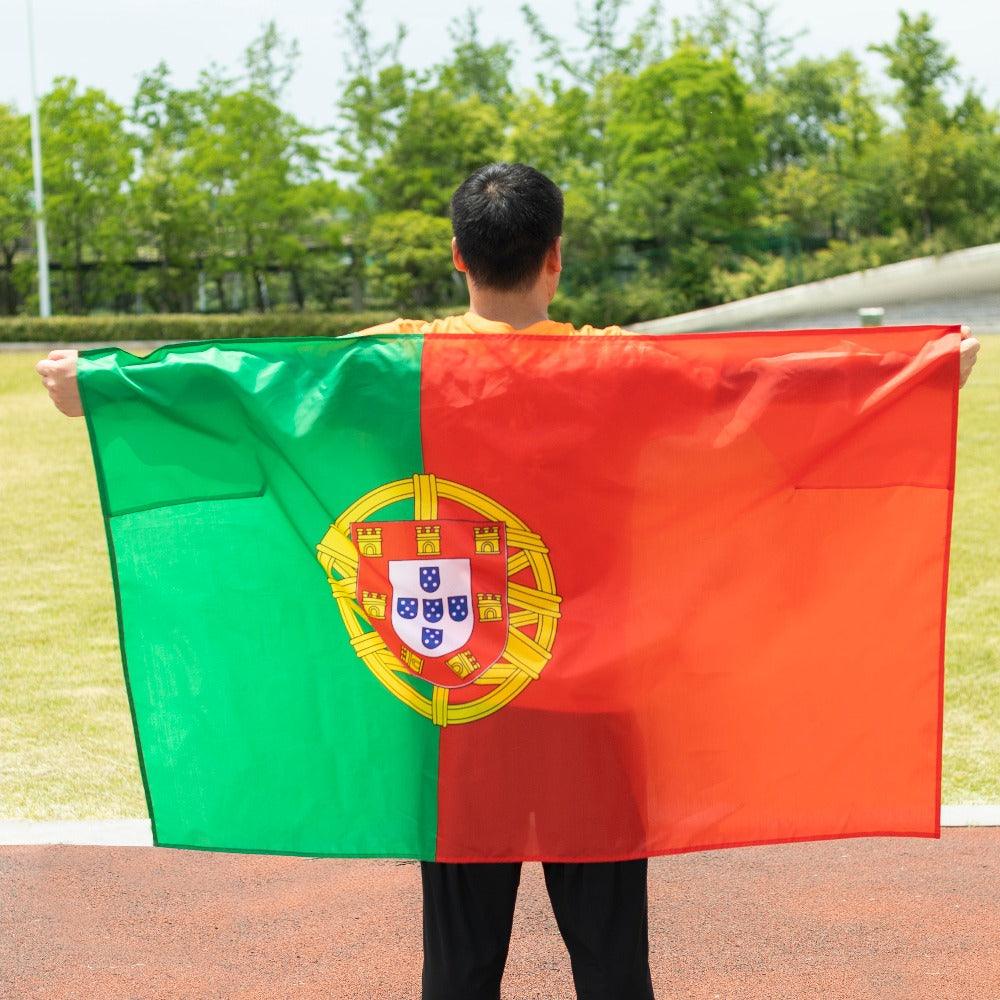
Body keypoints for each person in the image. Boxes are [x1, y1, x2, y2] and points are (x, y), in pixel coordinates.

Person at [37, 162, 982, 1000]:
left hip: (459, 699)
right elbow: (756, 390)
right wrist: (918, 370)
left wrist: (109, 383)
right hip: (596, 698)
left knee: (460, 964)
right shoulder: (614, 370)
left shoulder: (392, 366)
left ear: (458, 256)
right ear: (556, 257)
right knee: (612, 963)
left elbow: (255, 384)